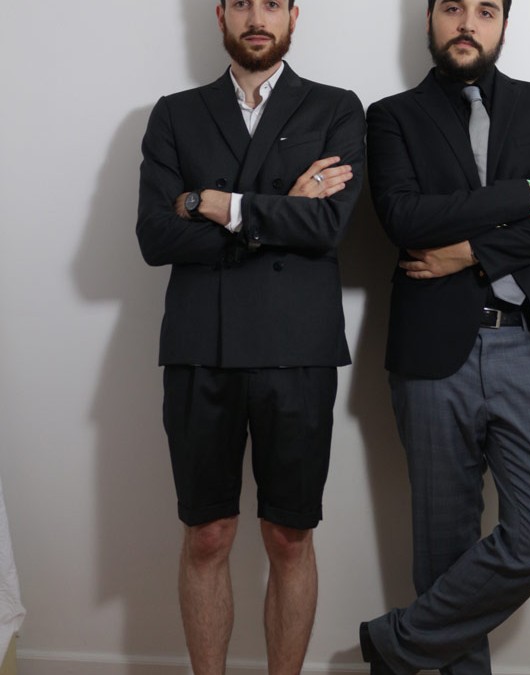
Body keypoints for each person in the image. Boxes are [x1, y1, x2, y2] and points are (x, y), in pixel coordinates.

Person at [359, 1, 530, 674]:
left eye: (485, 10)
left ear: (503, 25)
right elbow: (405, 218)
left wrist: (472, 252)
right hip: (433, 355)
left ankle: (394, 646)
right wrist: (528, 195)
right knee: (444, 551)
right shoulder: (391, 116)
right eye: (453, 8)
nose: (468, 22)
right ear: (430, 20)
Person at [136, 1, 365, 674]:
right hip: (199, 346)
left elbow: (328, 227)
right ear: (220, 16)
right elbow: (155, 236)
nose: (256, 16)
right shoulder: (175, 114)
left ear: (294, 15)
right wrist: (280, 209)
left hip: (298, 349)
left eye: (271, 3)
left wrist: (213, 203)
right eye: (241, 2)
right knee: (207, 533)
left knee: (289, 536)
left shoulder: (336, 108)